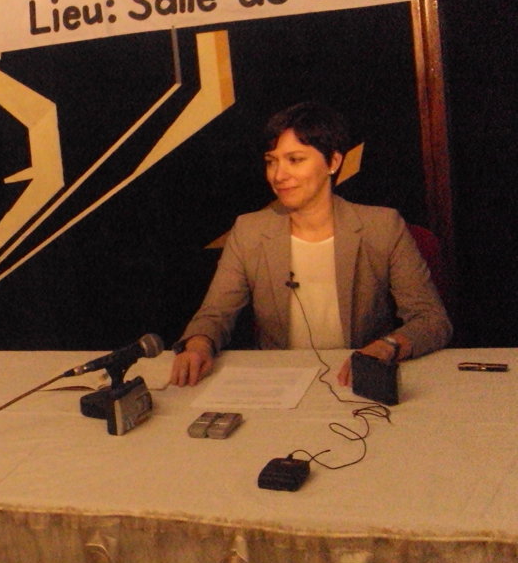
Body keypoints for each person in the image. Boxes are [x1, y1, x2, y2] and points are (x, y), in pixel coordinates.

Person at [170, 102, 452, 387]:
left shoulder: (382, 227)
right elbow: (215, 314)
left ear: (333, 162)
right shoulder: (249, 231)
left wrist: (387, 346)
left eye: (295, 160)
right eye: (271, 161)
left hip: (357, 381)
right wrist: (199, 344)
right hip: (281, 382)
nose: (278, 175)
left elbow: (431, 320)